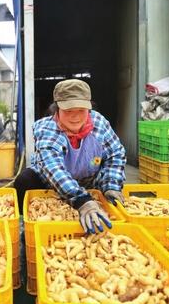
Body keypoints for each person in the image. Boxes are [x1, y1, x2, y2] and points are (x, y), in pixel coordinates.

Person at [14, 79, 126, 234]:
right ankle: (24, 228)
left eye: (81, 110)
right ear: (57, 109)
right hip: (50, 183)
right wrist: (82, 201)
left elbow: (115, 154)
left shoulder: (99, 123)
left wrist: (111, 186)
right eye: (68, 111)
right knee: (23, 180)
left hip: (89, 180)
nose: (75, 117)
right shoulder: (47, 129)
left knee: (111, 196)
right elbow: (53, 168)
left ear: (89, 108)